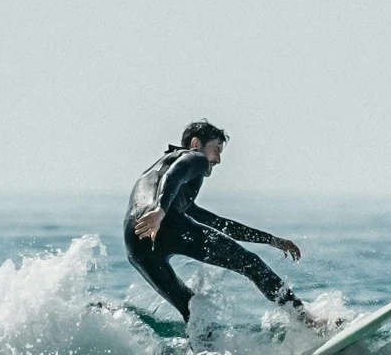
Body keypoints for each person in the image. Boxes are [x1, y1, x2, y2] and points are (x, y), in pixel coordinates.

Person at [124, 120, 314, 325]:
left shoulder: (161, 180)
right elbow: (175, 175)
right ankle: (306, 320)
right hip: (161, 221)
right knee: (251, 264)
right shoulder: (194, 157)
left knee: (192, 308)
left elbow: (216, 222)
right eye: (216, 149)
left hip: (135, 243)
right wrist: (159, 211)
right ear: (195, 143)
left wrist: (269, 239)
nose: (218, 160)